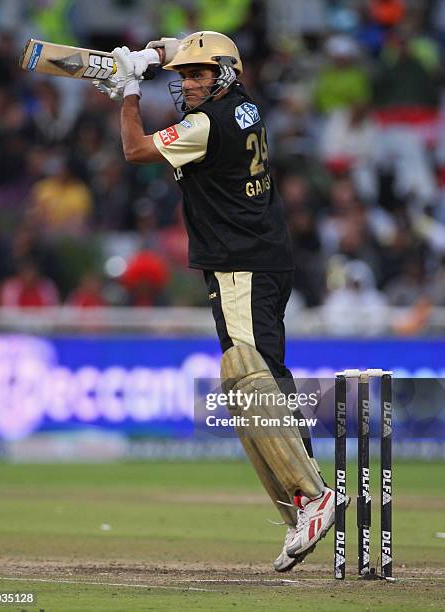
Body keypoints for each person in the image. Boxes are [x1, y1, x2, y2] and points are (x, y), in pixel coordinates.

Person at [94, 31, 338, 572]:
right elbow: (201, 47)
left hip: (240, 266)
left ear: (222, 75)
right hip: (267, 258)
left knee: (251, 376)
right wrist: (156, 54)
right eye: (182, 76)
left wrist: (130, 89)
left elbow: (135, 150)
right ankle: (306, 500)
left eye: (196, 76)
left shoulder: (207, 125)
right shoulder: (246, 105)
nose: (186, 85)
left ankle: (312, 495)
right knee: (262, 376)